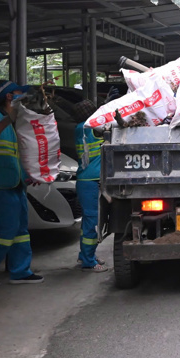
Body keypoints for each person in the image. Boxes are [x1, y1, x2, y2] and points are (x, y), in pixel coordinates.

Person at [0, 81, 43, 287]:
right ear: (8, 97)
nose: (23, 97)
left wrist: (28, 175)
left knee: (21, 230)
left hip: (16, 183)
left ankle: (20, 271)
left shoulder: (15, 122)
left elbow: (15, 154)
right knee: (7, 230)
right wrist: (8, 119)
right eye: (19, 94)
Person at [73, 100, 107, 272]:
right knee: (92, 222)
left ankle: (87, 255)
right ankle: (88, 261)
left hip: (86, 181)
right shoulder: (88, 128)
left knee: (88, 221)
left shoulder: (80, 128)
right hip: (90, 182)